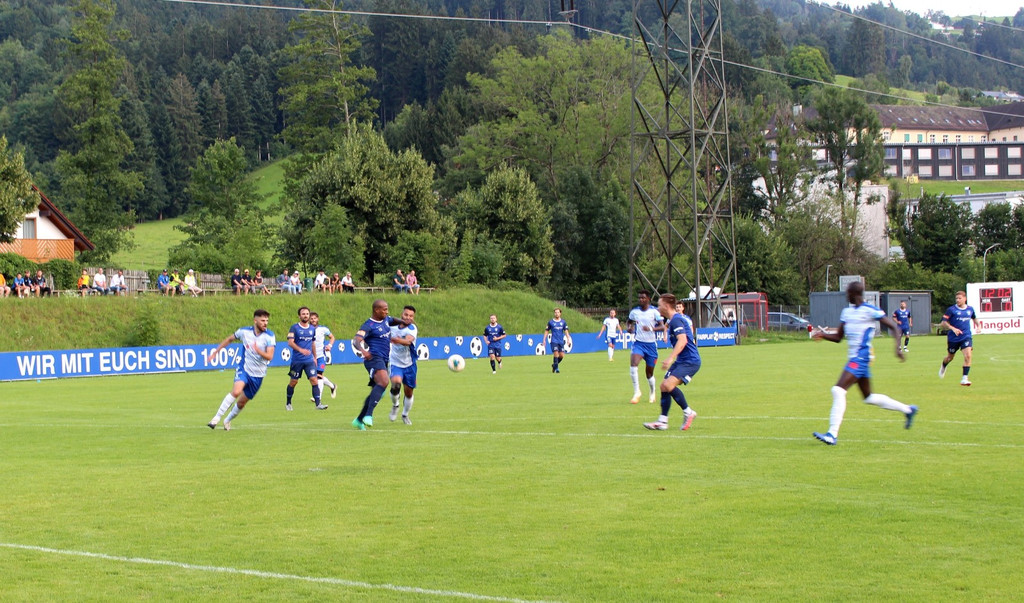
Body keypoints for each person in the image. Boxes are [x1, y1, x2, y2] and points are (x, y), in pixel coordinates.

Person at [811, 281, 918, 446]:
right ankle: (908, 410)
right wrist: (823, 335)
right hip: (856, 359)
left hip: (861, 358)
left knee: (838, 390)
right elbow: (839, 337)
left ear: (854, 294)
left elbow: (894, 328)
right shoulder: (846, 312)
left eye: (847, 293)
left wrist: (897, 348)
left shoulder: (870, 310)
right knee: (869, 397)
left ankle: (832, 434)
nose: (846, 296)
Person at [206, 309, 276, 431]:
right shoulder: (244, 332)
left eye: (267, 321)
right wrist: (215, 353)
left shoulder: (269, 336)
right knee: (236, 391)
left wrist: (258, 350)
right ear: (255, 321)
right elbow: (229, 339)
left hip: (258, 375)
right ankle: (215, 419)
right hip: (244, 369)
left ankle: (227, 420)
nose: (265, 323)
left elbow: (270, 356)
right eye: (262, 320)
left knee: (241, 403)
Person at [643, 293, 700, 431]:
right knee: (664, 386)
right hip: (682, 361)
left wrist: (670, 358)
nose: (658, 307)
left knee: (668, 385)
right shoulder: (672, 321)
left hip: (690, 361)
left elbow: (683, 340)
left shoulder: (676, 320)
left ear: (667, 306)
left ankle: (688, 412)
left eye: (660, 305)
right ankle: (663, 421)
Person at [352, 299, 393, 430]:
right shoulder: (368, 325)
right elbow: (356, 340)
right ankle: (368, 416)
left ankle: (358, 420)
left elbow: (395, 320)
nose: (387, 311)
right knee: (384, 381)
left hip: (384, 359)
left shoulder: (386, 320)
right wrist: (363, 350)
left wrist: (405, 322)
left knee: (377, 391)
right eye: (384, 309)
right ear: (376, 310)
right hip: (373, 358)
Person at [627, 290, 664, 404]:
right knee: (633, 364)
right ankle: (637, 392)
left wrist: (651, 329)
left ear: (648, 299)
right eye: (639, 298)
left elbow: (662, 327)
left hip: (651, 346)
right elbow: (629, 322)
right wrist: (629, 328)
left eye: (643, 298)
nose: (641, 300)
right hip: (639, 343)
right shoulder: (635, 312)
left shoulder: (654, 312)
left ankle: (652, 392)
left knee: (649, 374)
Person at [939, 290, 980, 386]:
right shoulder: (951, 310)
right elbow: (943, 323)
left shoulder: (970, 309)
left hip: (966, 336)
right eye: (956, 298)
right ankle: (944, 365)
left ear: (965, 299)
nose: (957, 300)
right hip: (953, 338)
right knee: (950, 357)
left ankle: (964, 378)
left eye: (960, 298)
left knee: (968, 356)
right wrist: (952, 328)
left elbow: (974, 318)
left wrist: (978, 326)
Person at [285, 306, 323, 411]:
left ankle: (318, 404)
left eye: (307, 314)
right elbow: (290, 342)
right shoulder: (294, 328)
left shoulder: (312, 329)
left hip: (309, 360)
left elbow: (312, 343)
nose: (305, 315)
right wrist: (301, 350)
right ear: (299, 316)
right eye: (303, 314)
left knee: (314, 380)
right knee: (294, 382)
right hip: (297, 360)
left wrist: (315, 357)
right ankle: (288, 403)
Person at [388, 305, 418, 425]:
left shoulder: (412, 328)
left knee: (408, 392)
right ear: (402, 314)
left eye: (411, 316)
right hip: (395, 362)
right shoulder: (392, 326)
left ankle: (405, 414)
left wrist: (396, 340)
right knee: (395, 384)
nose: (408, 317)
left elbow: (408, 341)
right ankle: (395, 405)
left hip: (409, 364)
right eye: (406, 315)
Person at [310, 312, 337, 402]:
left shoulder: (323, 329)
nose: (313, 320)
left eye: (315, 318)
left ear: (318, 319)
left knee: (319, 376)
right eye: (311, 318)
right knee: (314, 377)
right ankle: (332, 386)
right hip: (311, 357)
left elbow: (332, 337)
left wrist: (329, 345)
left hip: (321, 356)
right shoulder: (307, 330)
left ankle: (318, 397)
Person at [543, 307, 571, 373]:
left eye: (558, 312)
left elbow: (566, 331)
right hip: (554, 341)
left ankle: (554, 365)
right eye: (555, 312)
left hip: (561, 341)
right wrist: (544, 339)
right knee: (556, 353)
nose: (556, 314)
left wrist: (568, 339)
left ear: (560, 313)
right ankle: (557, 368)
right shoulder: (551, 322)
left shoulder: (563, 322)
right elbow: (546, 331)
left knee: (561, 355)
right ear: (554, 313)